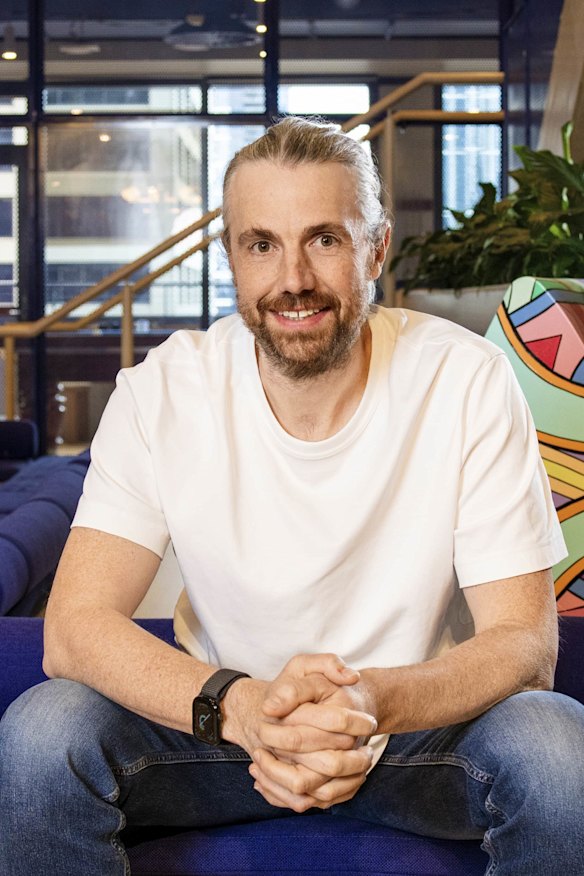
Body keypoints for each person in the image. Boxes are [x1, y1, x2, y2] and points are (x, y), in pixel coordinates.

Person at [0, 116, 582, 876]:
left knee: (556, 746)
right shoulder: (163, 392)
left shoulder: (464, 379)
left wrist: (370, 705)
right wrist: (240, 707)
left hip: (413, 735)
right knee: (44, 732)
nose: (294, 280)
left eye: (325, 239)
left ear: (375, 247)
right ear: (233, 259)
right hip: (218, 735)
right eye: (262, 244)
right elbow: (72, 629)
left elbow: (523, 646)